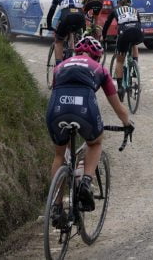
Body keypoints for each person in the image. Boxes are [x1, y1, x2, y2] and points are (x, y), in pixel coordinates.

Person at [46, 36, 134, 224]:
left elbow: (57, 90)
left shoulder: (60, 66)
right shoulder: (99, 69)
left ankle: (56, 206)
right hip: (83, 108)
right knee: (95, 142)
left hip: (56, 109)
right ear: (97, 56)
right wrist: (127, 123)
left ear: (76, 52)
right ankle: (86, 181)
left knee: (59, 155)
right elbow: (117, 105)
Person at [101, 0, 144, 101]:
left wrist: (104, 36)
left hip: (124, 33)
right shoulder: (135, 10)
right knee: (134, 44)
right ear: (130, 2)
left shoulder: (116, 10)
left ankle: (120, 87)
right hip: (138, 33)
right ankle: (134, 66)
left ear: (118, 3)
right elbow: (139, 23)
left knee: (120, 61)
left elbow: (107, 24)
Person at [46, 0, 85, 65]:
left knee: (58, 41)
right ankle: (75, 56)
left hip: (66, 17)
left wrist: (49, 25)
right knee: (73, 32)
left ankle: (59, 67)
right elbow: (81, 10)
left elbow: (51, 12)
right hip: (80, 18)